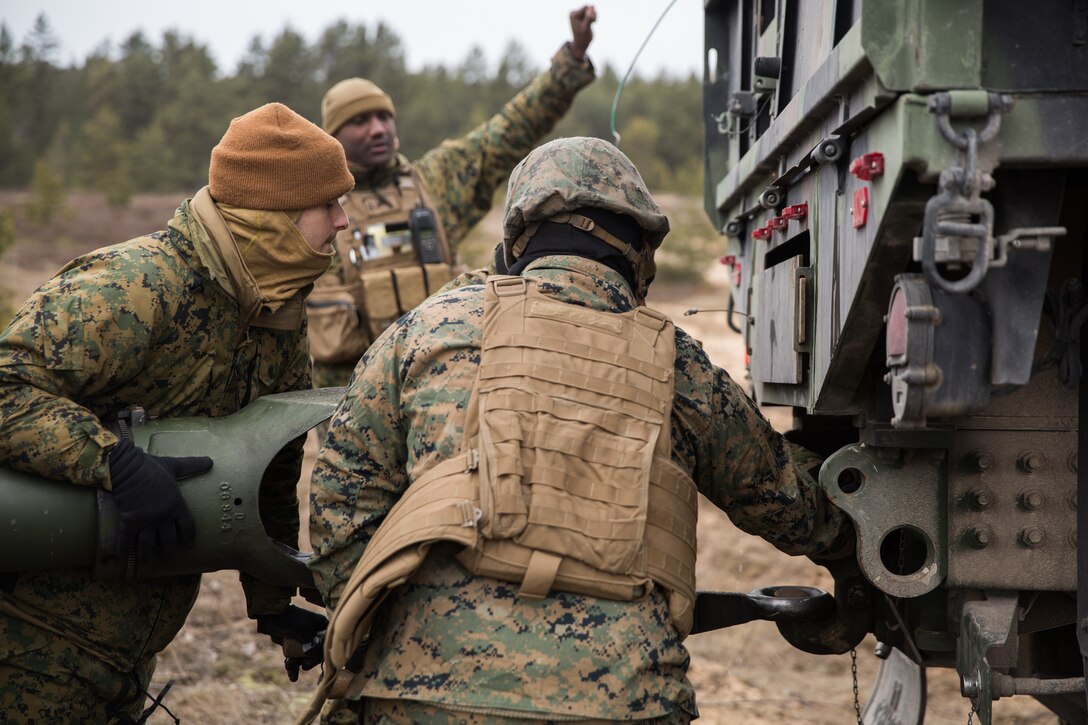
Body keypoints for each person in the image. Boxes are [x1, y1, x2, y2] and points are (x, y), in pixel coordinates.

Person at [306, 137, 853, 723]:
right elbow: (793, 509)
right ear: (640, 250)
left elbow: (340, 504)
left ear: (517, 241)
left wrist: (373, 631)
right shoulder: (680, 364)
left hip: (419, 692)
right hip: (621, 699)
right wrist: (850, 532)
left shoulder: (425, 330)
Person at [0, 102, 353, 721]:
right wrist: (116, 464)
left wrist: (270, 600)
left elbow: (272, 469)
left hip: (128, 652)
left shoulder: (276, 315)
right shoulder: (136, 288)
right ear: (274, 218)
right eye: (330, 205)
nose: (346, 221)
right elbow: (6, 390)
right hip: (31, 644)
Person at [307, 6, 598, 389]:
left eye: (383, 117)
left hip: (444, 389)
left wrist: (571, 59)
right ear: (333, 135)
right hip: (351, 399)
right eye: (360, 121)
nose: (377, 129)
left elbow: (510, 130)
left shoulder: (438, 180)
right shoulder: (311, 208)